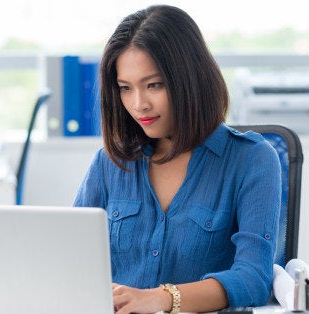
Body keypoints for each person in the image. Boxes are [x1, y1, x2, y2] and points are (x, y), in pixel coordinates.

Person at [73, 4, 282, 314]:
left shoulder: (251, 159)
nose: (139, 104)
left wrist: (160, 298)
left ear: (191, 79)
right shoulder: (109, 162)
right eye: (125, 88)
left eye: (154, 85)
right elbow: (69, 258)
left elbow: (253, 278)